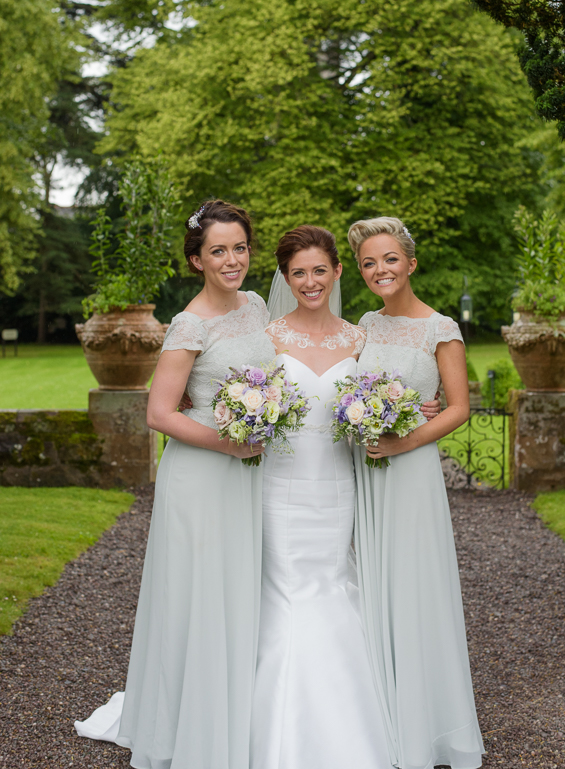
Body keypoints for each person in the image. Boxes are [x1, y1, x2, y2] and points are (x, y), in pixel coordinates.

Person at [75, 199, 276, 769]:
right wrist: (228, 442)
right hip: (203, 473)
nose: (232, 259)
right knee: (198, 594)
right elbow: (159, 414)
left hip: (246, 468)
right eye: (218, 251)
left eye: (239, 247)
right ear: (196, 260)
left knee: (242, 587)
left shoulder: (259, 305)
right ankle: (190, 725)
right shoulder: (188, 324)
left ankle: (237, 711)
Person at [250, 224, 391, 769]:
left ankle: (349, 721)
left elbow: (391, 391)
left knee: (332, 583)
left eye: (319, 270)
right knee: (283, 591)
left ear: (337, 272)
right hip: (278, 486)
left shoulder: (360, 339)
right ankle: (272, 728)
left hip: (337, 488)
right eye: (297, 273)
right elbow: (223, 386)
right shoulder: (266, 337)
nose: (310, 281)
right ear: (286, 278)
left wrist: (414, 410)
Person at [348, 216, 484, 769]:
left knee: (412, 584)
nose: (380, 270)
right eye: (368, 263)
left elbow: (458, 408)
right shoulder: (364, 324)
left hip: (410, 471)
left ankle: (424, 721)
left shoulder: (440, 328)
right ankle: (375, 711)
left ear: (411, 263)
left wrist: (403, 441)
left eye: (389, 259)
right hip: (364, 470)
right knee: (365, 580)